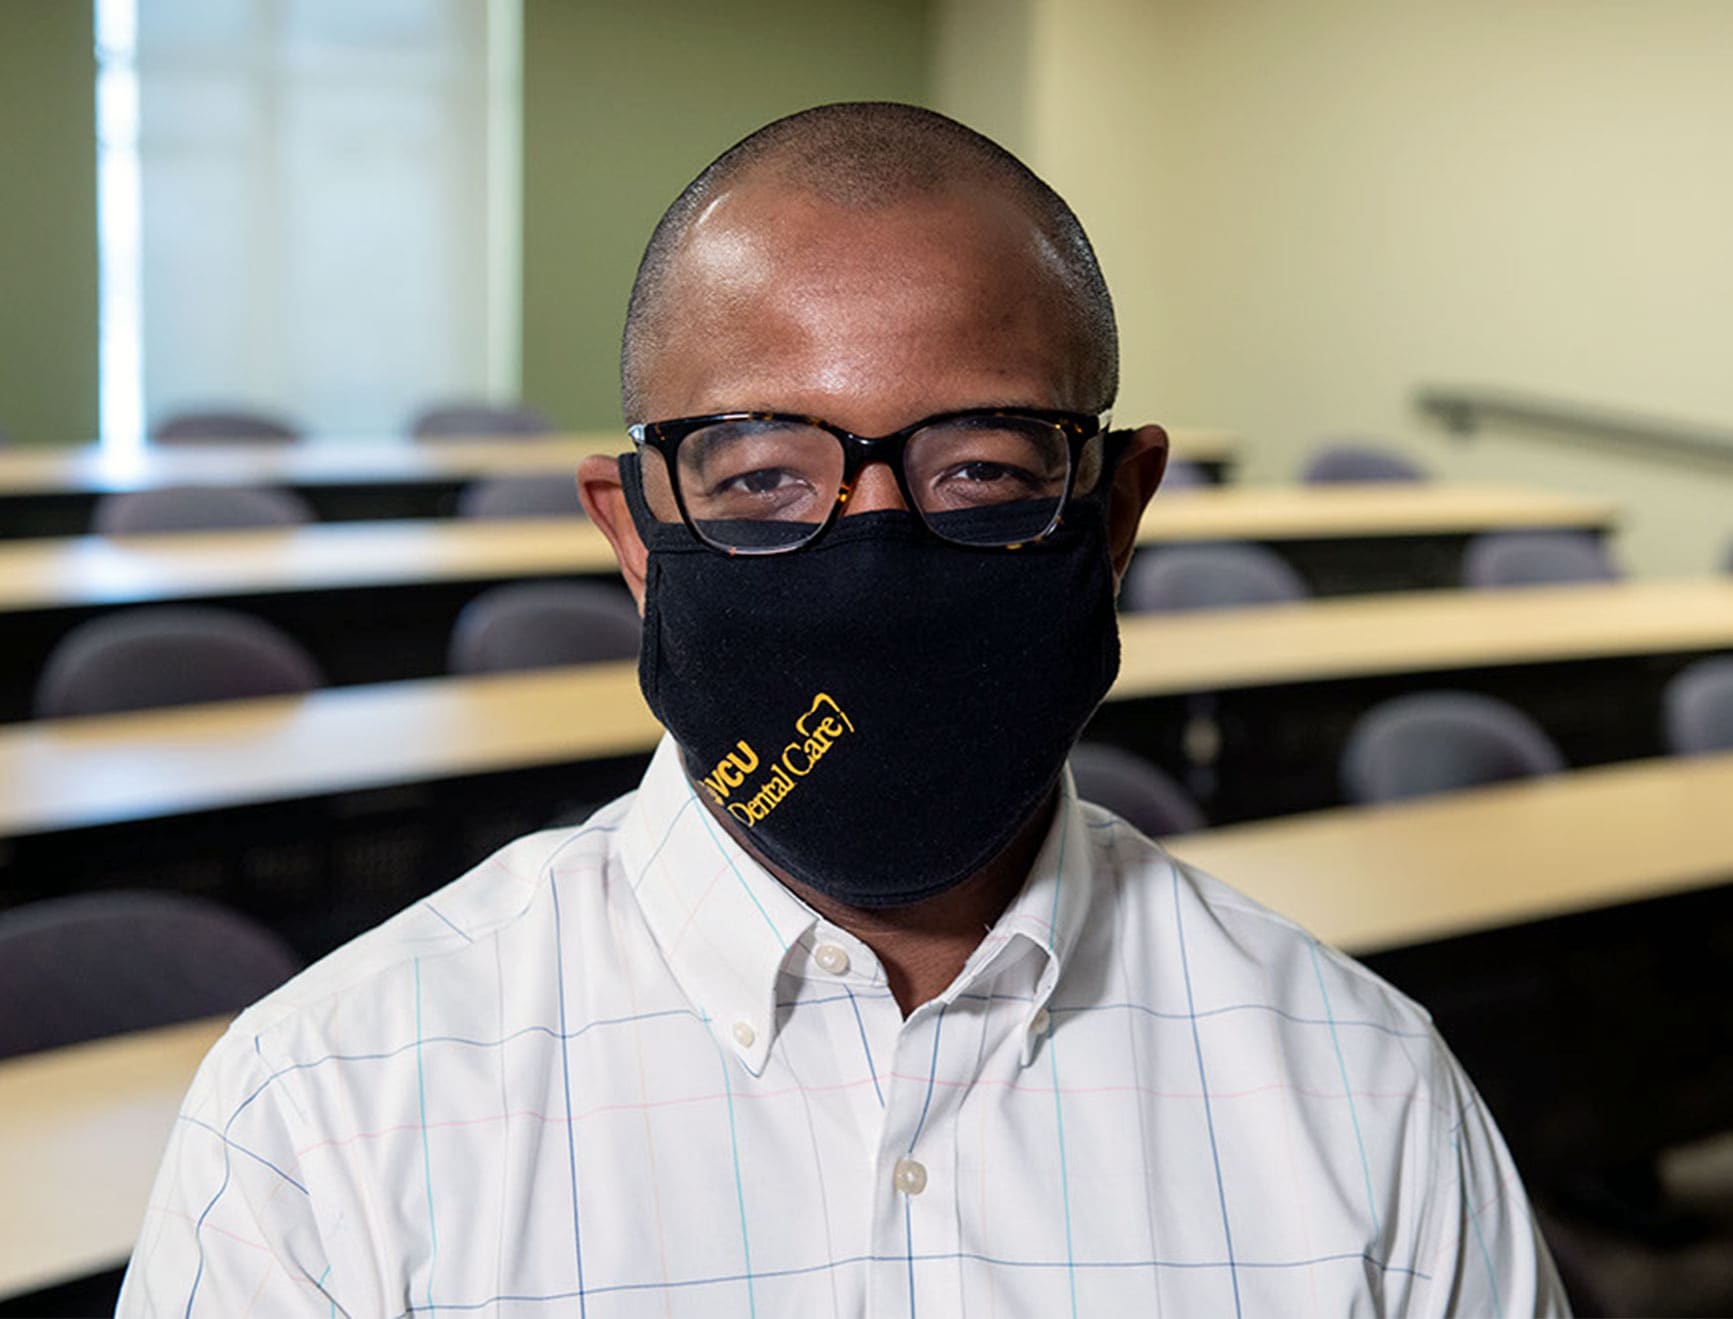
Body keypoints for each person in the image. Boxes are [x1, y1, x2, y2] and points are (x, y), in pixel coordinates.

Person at [119, 103, 1567, 1317]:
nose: (869, 551)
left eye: (983, 471)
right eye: (759, 479)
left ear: (1115, 512)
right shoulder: (323, 1119)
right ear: (635, 537)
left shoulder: (1363, 1093)